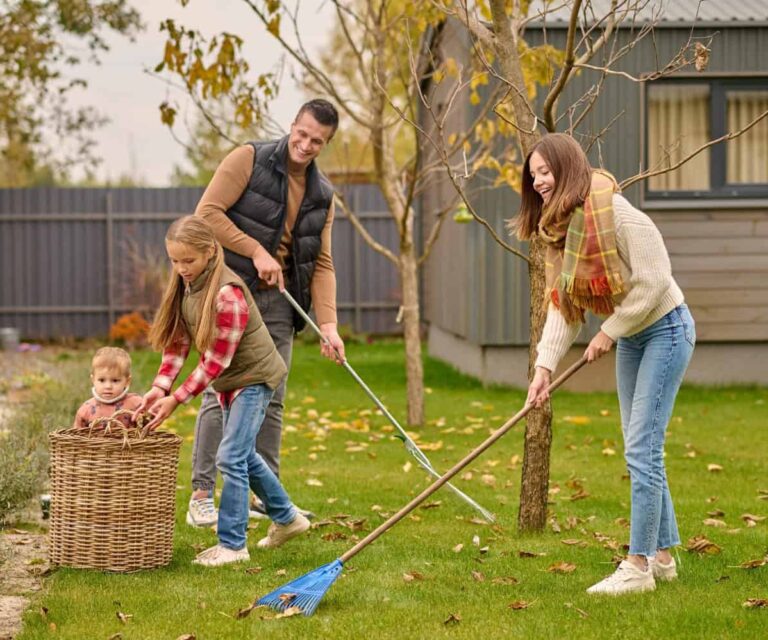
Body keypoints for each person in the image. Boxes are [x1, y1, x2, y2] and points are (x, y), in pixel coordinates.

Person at [518, 133, 695, 595]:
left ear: (569, 167)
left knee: (642, 449)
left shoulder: (614, 213)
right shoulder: (563, 229)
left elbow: (656, 281)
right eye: (532, 173)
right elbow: (564, 305)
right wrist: (544, 369)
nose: (538, 181)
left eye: (545, 171)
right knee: (640, 447)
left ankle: (637, 567)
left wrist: (608, 330)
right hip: (634, 336)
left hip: (666, 328)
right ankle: (662, 557)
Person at [185, 98, 345, 527]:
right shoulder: (249, 158)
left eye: (317, 141)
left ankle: (267, 498)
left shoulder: (322, 195)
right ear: (292, 125)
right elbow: (207, 215)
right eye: (303, 134)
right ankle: (202, 494)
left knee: (271, 398)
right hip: (232, 292)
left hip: (279, 300)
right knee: (223, 389)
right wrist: (256, 251)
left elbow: (322, 263)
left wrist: (328, 325)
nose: (306, 144)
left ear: (325, 143)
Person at [135, 216, 310, 566]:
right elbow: (178, 342)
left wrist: (176, 399)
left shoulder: (227, 294)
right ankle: (288, 518)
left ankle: (232, 546)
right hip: (233, 381)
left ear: (211, 252)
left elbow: (215, 362)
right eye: (175, 261)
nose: (181, 268)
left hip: (254, 378)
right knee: (242, 455)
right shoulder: (189, 288)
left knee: (230, 456)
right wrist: (160, 387)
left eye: (189, 260)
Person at [73, 347, 142, 428]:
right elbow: (77, 435)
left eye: (115, 380)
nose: (108, 386)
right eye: (102, 380)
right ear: (93, 380)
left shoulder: (136, 404)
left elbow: (150, 430)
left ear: (127, 381)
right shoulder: (86, 410)